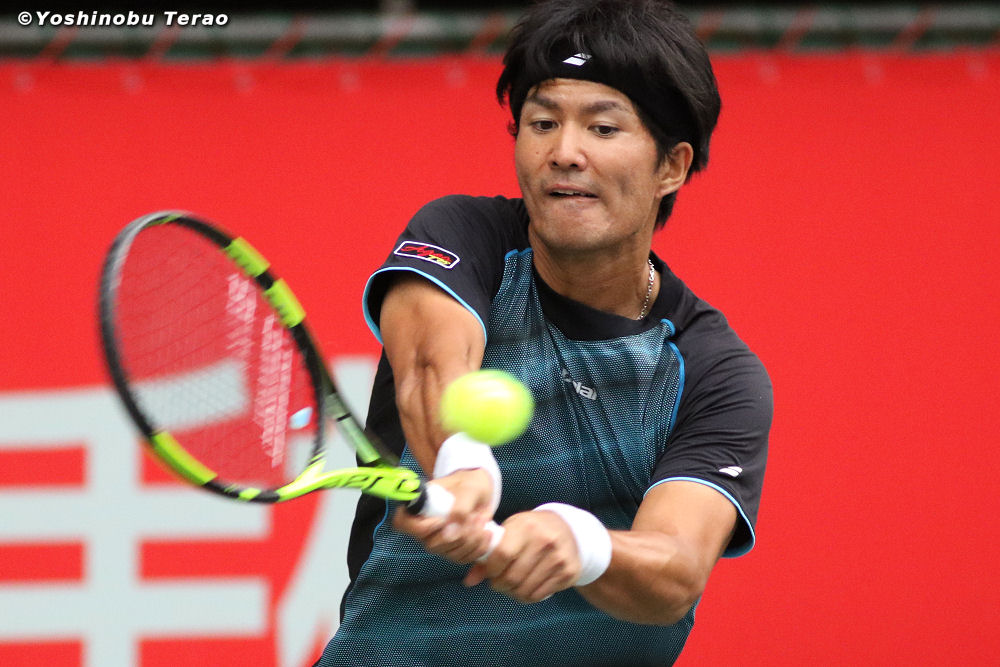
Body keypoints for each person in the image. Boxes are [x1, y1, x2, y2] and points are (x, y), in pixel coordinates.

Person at [316, 0, 771, 665]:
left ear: (671, 166)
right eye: (542, 123)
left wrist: (582, 544)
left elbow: (676, 570)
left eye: (603, 127)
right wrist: (462, 463)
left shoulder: (713, 372)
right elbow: (431, 367)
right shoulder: (463, 237)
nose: (564, 153)